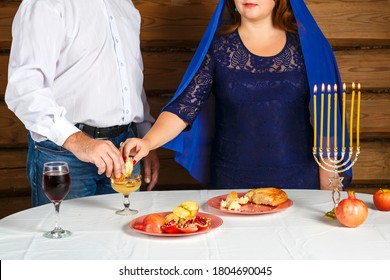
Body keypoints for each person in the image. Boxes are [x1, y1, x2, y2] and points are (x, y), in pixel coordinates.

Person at [121, 0, 352, 190]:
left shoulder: (307, 46)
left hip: (299, 183)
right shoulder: (219, 48)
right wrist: (147, 141)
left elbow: (328, 123)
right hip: (231, 184)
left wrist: (329, 186)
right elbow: (184, 107)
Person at [5, 0, 160, 207]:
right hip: (64, 152)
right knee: (64, 236)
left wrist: (146, 137)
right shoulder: (44, 3)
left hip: (125, 151)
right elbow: (24, 89)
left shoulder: (124, 4)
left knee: (122, 237)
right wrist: (79, 142)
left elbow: (131, 78)